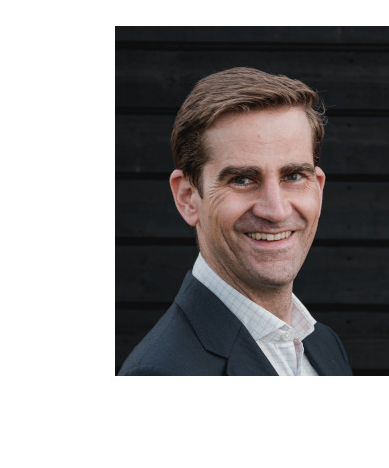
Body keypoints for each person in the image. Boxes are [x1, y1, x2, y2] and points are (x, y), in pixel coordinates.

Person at [118, 67, 353, 376]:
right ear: (188, 198)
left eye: (294, 176)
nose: (277, 210)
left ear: (318, 190)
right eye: (242, 179)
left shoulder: (323, 345)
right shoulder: (159, 374)